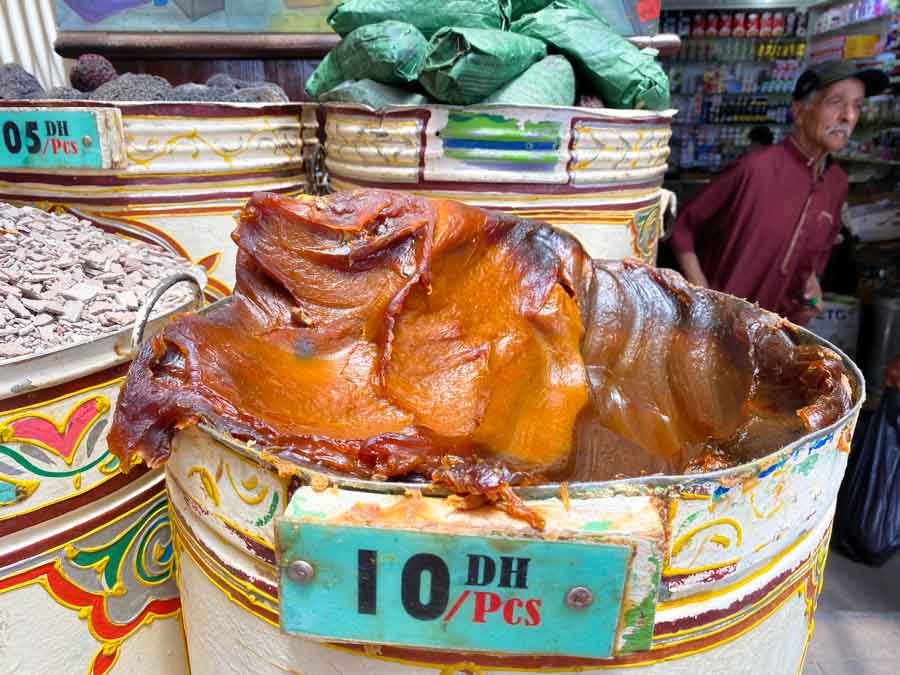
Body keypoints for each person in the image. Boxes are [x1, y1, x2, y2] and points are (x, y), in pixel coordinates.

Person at [670, 62, 889, 325]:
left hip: (779, 332)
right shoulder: (754, 169)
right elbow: (682, 226)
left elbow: (813, 257)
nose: (849, 116)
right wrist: (703, 299)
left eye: (857, 106)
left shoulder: (837, 183)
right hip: (720, 326)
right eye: (836, 102)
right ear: (799, 111)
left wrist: (812, 288)